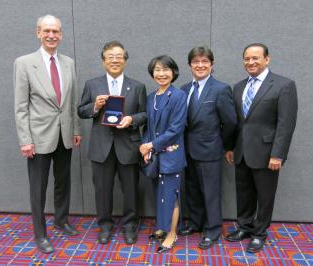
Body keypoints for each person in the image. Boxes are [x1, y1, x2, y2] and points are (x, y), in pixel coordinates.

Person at [14, 15, 81, 254]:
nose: (52, 35)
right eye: (47, 31)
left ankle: (61, 221)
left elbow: (71, 100)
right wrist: (25, 140)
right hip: (38, 138)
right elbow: (21, 106)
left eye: (56, 31)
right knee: (38, 188)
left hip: (64, 135)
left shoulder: (69, 63)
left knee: (63, 183)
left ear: (61, 34)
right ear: (38, 33)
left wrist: (75, 129)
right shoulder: (24, 63)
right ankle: (40, 234)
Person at [225, 43, 298, 253]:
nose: (251, 62)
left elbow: (286, 124)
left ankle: (259, 234)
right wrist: (230, 147)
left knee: (265, 196)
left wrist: (278, 154)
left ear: (267, 59)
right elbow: (236, 122)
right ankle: (244, 227)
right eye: (247, 59)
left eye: (255, 58)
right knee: (243, 193)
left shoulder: (283, 85)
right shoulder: (238, 87)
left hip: (267, 154)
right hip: (241, 152)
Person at [77, 41, 146, 245]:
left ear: (125, 60)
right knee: (102, 191)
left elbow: (145, 114)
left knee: (131, 190)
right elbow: (81, 110)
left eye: (119, 56)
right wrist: (95, 107)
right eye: (110, 56)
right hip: (101, 147)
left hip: (128, 146)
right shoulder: (92, 84)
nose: (115, 60)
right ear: (103, 60)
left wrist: (132, 119)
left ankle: (130, 226)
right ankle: (105, 226)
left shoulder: (137, 86)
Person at [178, 46, 237, 249]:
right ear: (190, 65)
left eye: (205, 61)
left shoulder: (221, 89)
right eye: (196, 62)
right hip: (187, 150)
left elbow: (230, 122)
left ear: (212, 65)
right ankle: (195, 223)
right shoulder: (184, 89)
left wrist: (223, 145)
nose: (200, 65)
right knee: (192, 189)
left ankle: (212, 230)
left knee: (211, 192)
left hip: (210, 150)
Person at [140, 55, 187, 253]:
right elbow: (148, 127)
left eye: (166, 69)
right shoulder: (151, 97)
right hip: (154, 155)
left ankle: (171, 233)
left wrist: (151, 145)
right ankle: (162, 227)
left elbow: (176, 129)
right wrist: (145, 147)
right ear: (152, 74)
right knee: (159, 194)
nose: (162, 73)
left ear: (174, 72)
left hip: (171, 155)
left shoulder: (178, 96)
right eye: (157, 70)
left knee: (171, 195)